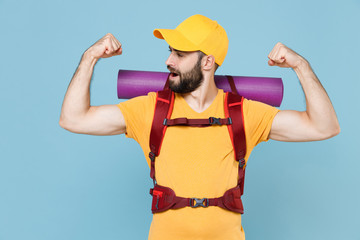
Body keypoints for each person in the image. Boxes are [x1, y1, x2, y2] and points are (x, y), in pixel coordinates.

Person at [59, 14, 340, 240]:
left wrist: (301, 66)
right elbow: (73, 119)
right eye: (170, 52)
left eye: (180, 54)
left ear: (207, 61)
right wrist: (89, 57)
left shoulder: (244, 112)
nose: (168, 61)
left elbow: (323, 127)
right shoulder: (150, 109)